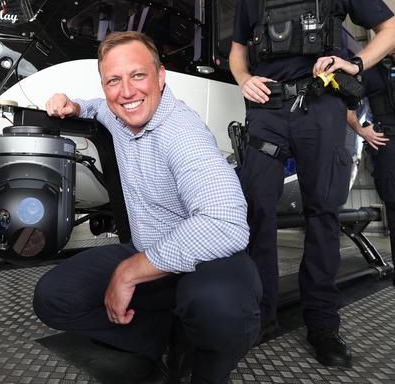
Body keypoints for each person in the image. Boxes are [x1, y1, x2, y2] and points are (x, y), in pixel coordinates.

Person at [229, 0, 395, 368]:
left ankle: (322, 325)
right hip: (267, 111)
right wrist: (243, 78)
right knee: (255, 212)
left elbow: (389, 29)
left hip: (321, 107)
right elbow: (236, 52)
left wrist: (357, 62)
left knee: (322, 213)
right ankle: (259, 315)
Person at [34, 31, 261, 384]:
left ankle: (206, 367)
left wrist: (129, 272)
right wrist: (74, 106)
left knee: (219, 306)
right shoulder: (119, 112)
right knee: (53, 297)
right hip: (150, 252)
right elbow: (97, 107)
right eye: (114, 80)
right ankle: (171, 339)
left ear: (161, 76)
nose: (126, 91)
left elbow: (226, 224)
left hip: (206, 261)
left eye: (138, 75)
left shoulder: (182, 133)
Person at [348, 23, 395, 289]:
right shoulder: (370, 72)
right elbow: (343, 101)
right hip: (389, 144)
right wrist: (361, 131)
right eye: (394, 43)